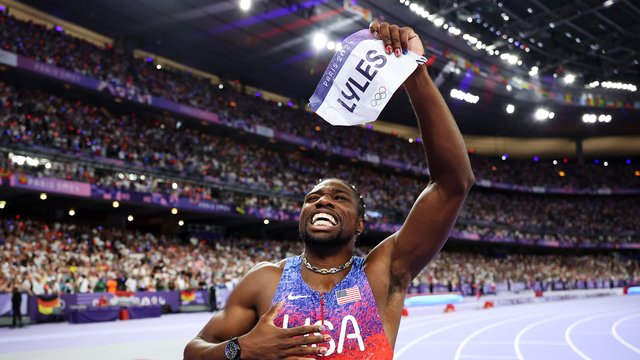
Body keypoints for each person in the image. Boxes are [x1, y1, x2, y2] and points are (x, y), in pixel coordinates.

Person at [184, 20, 474, 360]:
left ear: (360, 224)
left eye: (339, 198)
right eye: (313, 198)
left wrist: (414, 75)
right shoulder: (265, 280)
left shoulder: (383, 272)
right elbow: (194, 352)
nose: (323, 200)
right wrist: (241, 348)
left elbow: (454, 183)